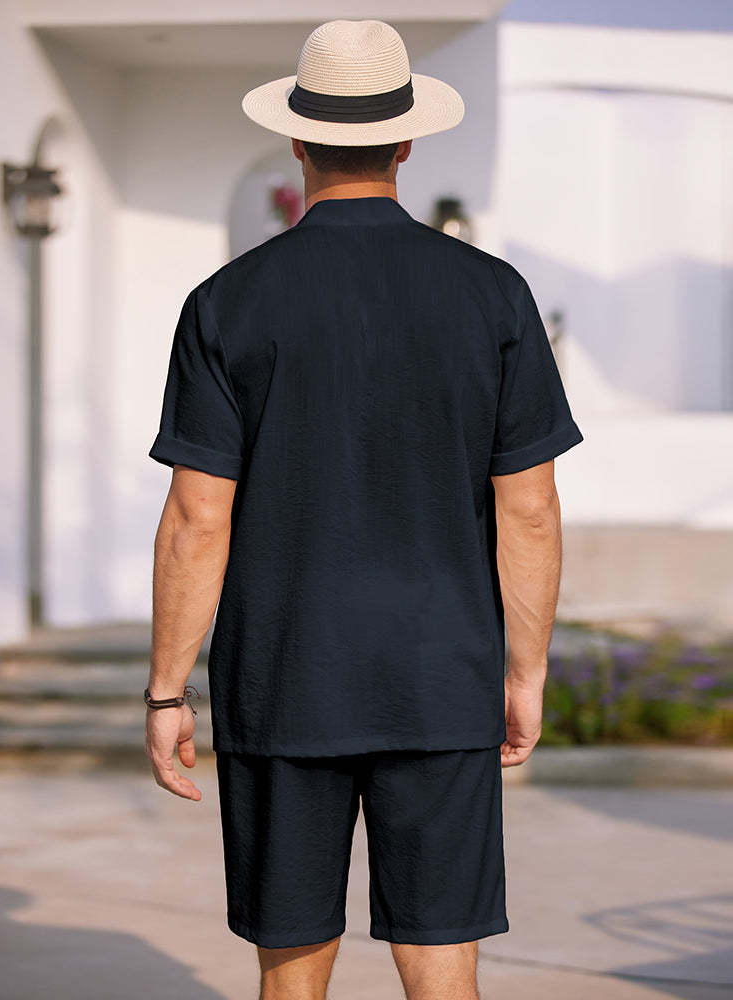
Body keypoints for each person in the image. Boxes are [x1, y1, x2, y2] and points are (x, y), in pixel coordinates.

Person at [144, 18, 583, 1000]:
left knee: (290, 968)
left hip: (283, 678)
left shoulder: (227, 301)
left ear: (298, 139)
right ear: (407, 141)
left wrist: (168, 689)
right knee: (442, 963)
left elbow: (196, 519)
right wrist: (524, 670)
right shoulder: (493, 295)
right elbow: (531, 511)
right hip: (442, 675)